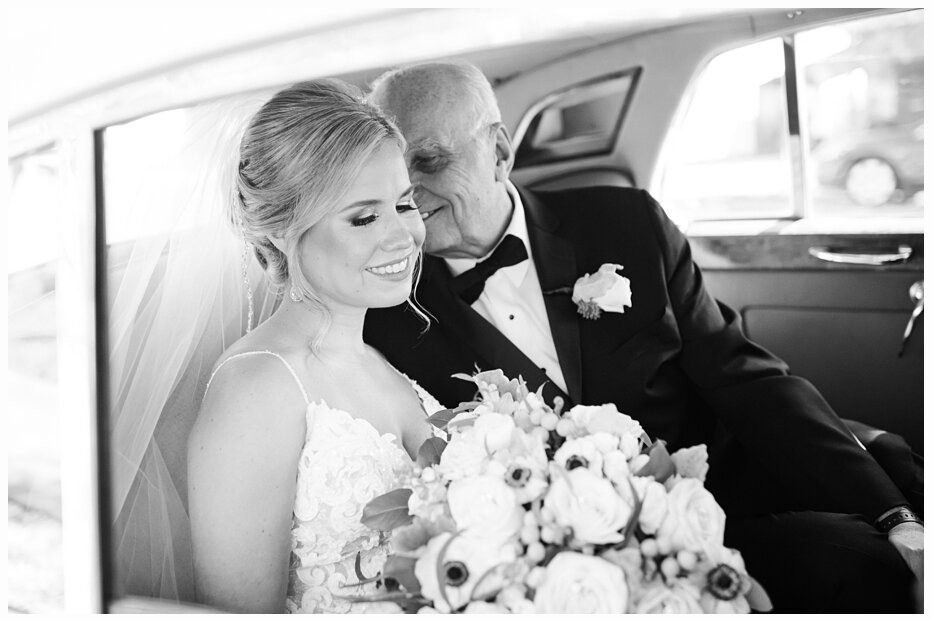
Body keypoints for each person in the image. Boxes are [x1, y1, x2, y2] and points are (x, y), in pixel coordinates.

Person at [362, 61, 924, 612]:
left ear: (500, 154)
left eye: (429, 160)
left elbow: (743, 377)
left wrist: (893, 517)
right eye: (391, 173)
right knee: (858, 565)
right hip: (594, 564)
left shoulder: (624, 223)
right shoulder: (387, 316)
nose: (408, 190)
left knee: (898, 472)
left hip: (726, 481)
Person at [186, 79, 442, 613]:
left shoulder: (383, 365)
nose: (403, 236)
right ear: (283, 230)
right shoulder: (258, 388)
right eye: (365, 217)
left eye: (404, 203)